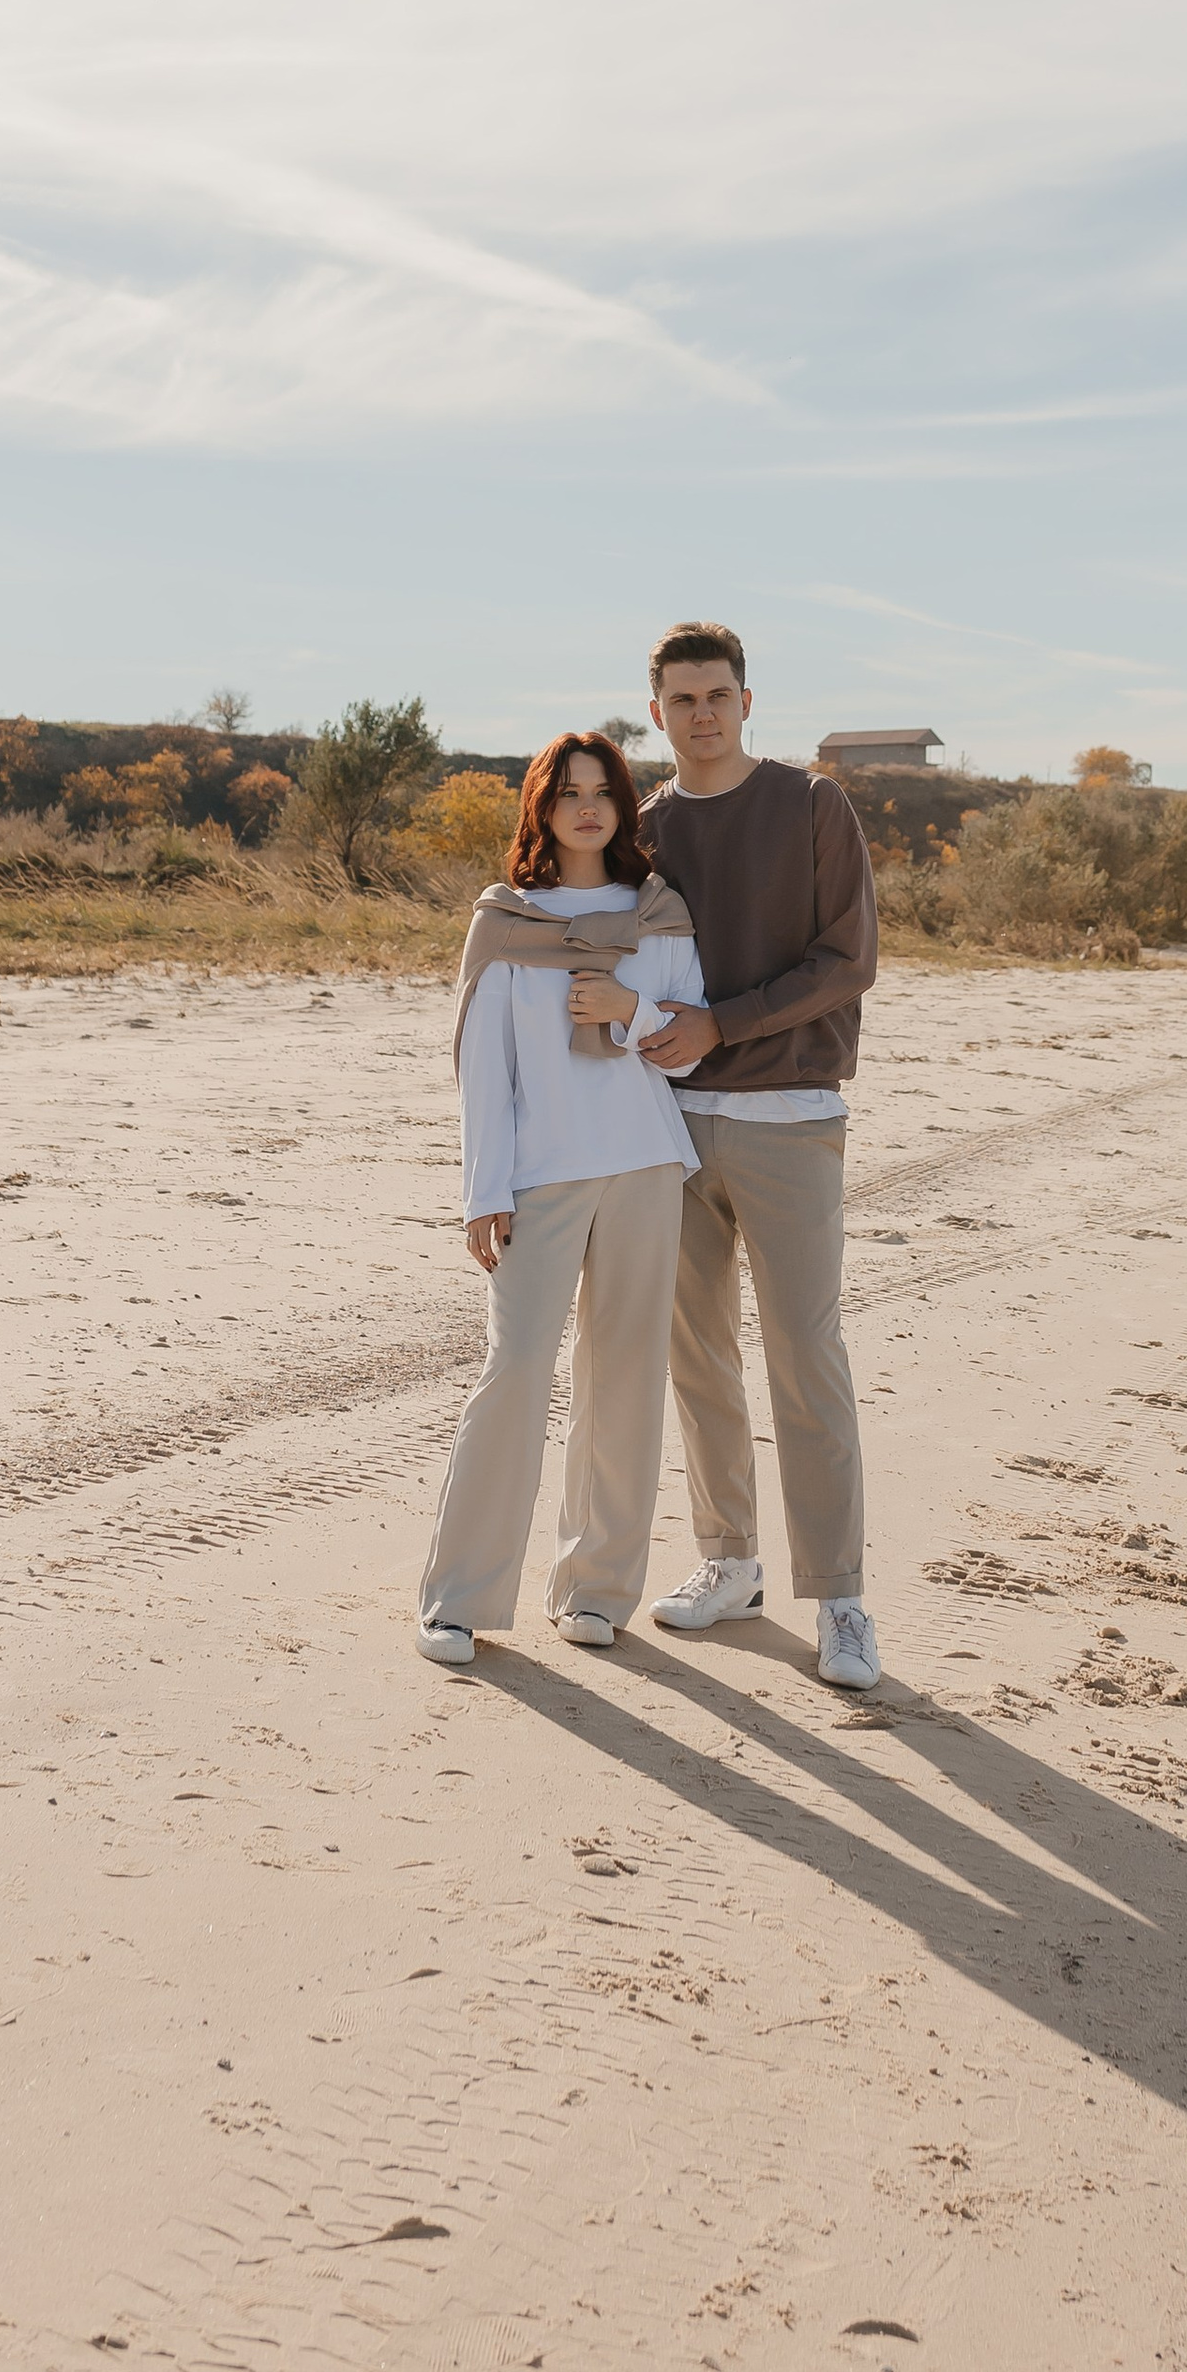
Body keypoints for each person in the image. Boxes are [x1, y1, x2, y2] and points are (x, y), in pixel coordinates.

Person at [415, 735, 705, 1670]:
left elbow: (691, 1048)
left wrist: (629, 1011)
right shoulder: (506, 921)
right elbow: (483, 1076)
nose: (587, 809)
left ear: (624, 807)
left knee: (623, 1378)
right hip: (540, 1175)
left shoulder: (658, 915)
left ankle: (595, 1590)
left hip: (645, 1165)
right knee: (515, 1371)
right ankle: (458, 1598)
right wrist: (482, 1192)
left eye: (603, 793)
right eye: (567, 793)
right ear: (540, 809)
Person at [632, 620, 884, 1691]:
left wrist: (721, 1026)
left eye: (717, 695)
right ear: (657, 713)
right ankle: (728, 1559)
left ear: (745, 703)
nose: (700, 714)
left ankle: (841, 1601)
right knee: (697, 1356)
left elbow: (848, 960)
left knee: (805, 1358)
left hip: (790, 1117)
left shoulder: (811, 803)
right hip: (667, 1127)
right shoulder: (641, 827)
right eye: (681, 699)